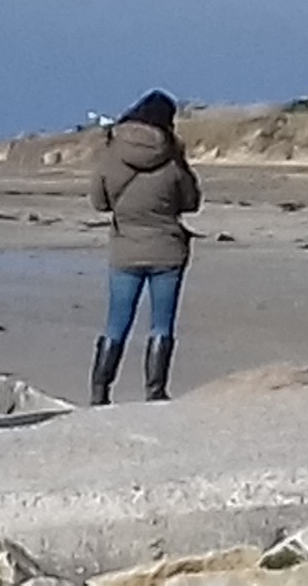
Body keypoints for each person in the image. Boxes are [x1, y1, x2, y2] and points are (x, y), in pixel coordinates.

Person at [87, 90, 200, 405]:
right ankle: (155, 390)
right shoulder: (173, 157)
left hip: (125, 249)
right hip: (167, 249)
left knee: (116, 323)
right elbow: (191, 201)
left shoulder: (111, 153)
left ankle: (100, 391)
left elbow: (99, 202)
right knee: (161, 324)